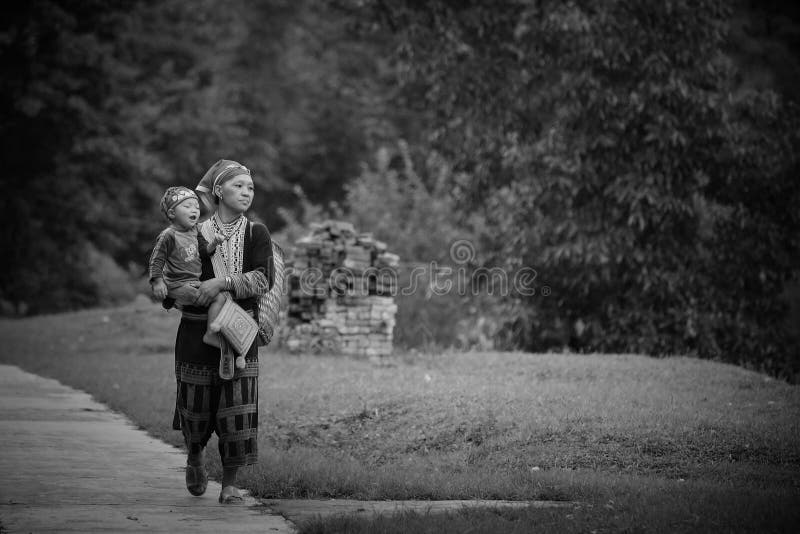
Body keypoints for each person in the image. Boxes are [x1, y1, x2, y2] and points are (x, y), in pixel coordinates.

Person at [171, 159, 274, 504]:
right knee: (195, 407)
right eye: (238, 186)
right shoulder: (191, 234)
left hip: (240, 333)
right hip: (196, 333)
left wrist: (224, 283)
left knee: (237, 410)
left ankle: (230, 483)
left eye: (251, 188)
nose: (247, 193)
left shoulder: (256, 233)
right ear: (218, 191)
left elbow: (263, 279)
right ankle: (195, 456)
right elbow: (175, 279)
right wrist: (184, 291)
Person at [148, 187, 239, 363]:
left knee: (220, 298)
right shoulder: (168, 236)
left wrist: (215, 242)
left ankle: (211, 331)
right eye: (188, 206)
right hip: (177, 283)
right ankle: (207, 331)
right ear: (172, 213)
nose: (194, 210)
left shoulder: (195, 230)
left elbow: (204, 251)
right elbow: (156, 260)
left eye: (196, 207)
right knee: (208, 298)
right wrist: (157, 282)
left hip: (193, 281)